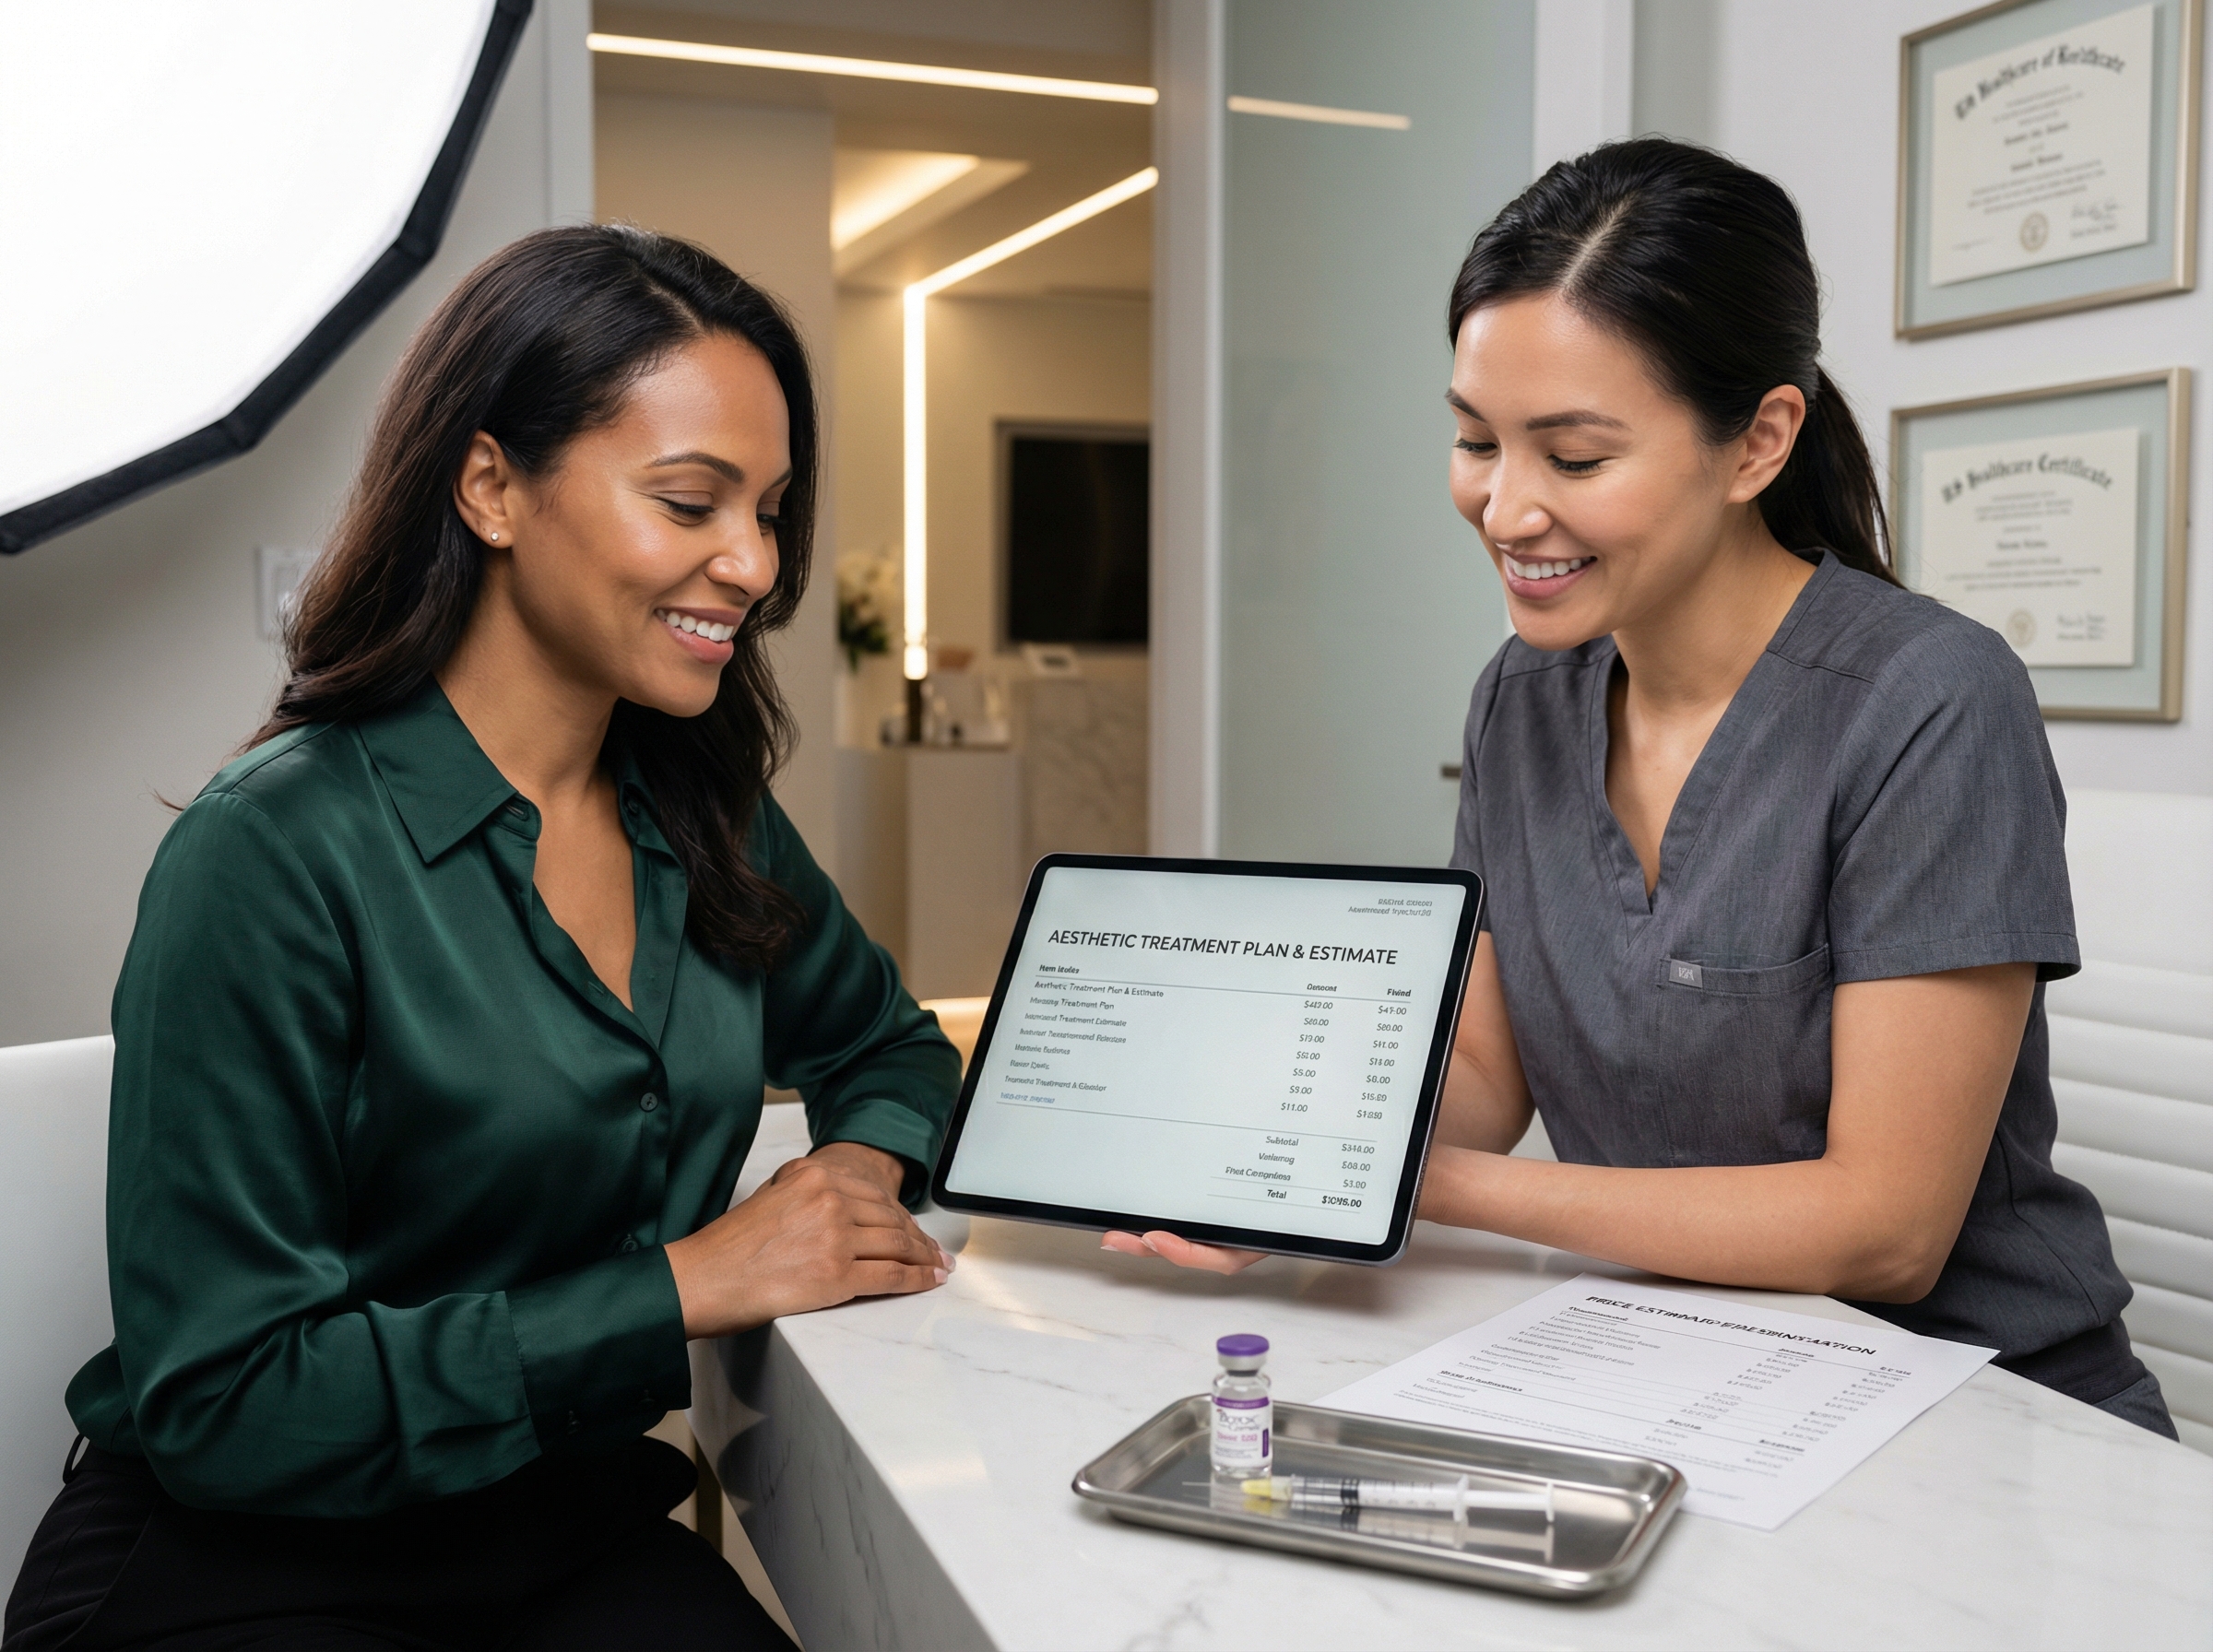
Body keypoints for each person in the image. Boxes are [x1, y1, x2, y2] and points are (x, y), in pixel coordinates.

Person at [1106, 138, 2175, 1439]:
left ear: (1758, 442)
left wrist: (1414, 1187)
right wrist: (1287, 1164)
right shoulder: (1524, 695)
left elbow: (1885, 1232)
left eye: (1574, 456)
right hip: (1681, 1372)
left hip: (1986, 1415)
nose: (1504, 509)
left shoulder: (1931, 699)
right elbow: (1490, 1070)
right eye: (1473, 440)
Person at [5, 225, 959, 1650]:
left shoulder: (706, 817)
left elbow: (887, 1045)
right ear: (491, 484)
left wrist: (845, 1187)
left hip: (547, 1534)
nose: (753, 564)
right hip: (238, 1567)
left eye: (769, 510)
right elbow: (228, 1401)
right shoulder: (270, 851)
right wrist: (692, 1283)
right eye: (692, 501)